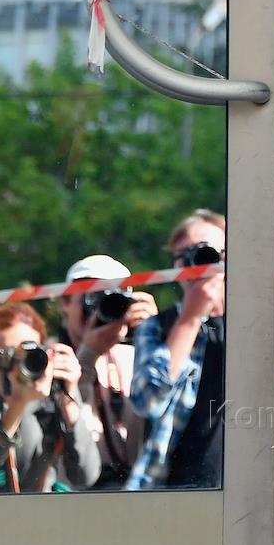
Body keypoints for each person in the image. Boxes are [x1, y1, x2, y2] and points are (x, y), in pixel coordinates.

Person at [0, 301, 100, 493]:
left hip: (38, 508)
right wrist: (16, 408)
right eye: (7, 355)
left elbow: (85, 476)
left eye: (29, 355)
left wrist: (70, 397)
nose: (17, 366)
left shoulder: (52, 393)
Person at [126, 209, 225, 490]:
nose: (195, 263)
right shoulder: (159, 326)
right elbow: (147, 401)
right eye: (184, 256)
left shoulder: (256, 322)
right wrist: (190, 319)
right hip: (174, 488)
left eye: (206, 253)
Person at [58, 253, 157, 487]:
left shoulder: (135, 358)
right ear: (66, 303)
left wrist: (154, 338)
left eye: (112, 300)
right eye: (91, 299)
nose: (100, 311)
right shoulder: (54, 358)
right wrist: (88, 354)